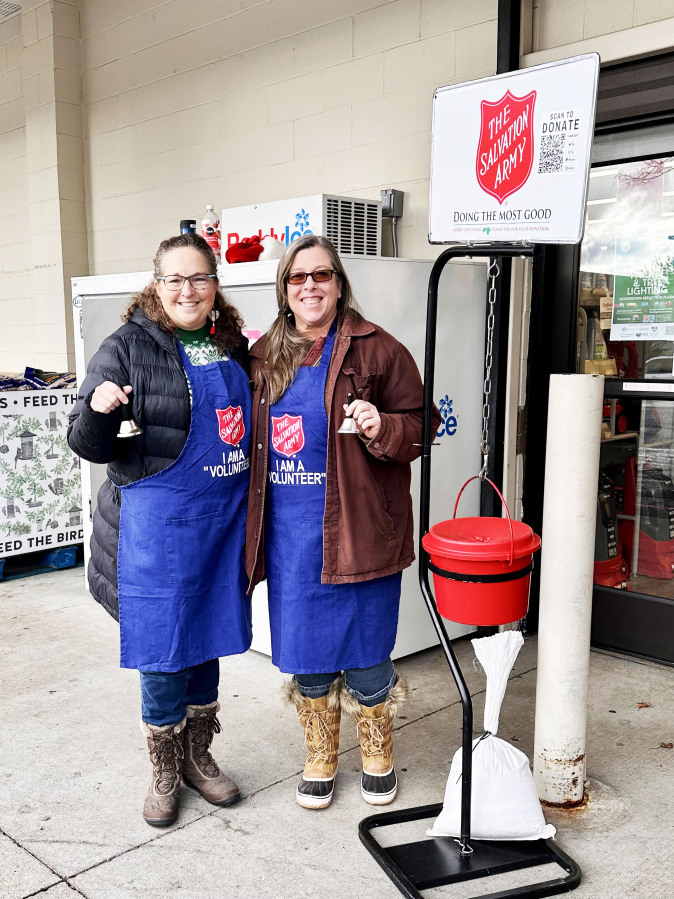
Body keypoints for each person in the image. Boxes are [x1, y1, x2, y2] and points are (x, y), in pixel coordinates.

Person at [246, 234, 439, 810]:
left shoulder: (378, 350)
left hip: (361, 526)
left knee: (368, 649)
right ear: (284, 289)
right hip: (291, 536)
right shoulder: (260, 357)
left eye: (321, 275)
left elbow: (420, 424)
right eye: (298, 277)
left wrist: (383, 426)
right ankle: (320, 753)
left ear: (338, 283)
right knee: (306, 653)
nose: (310, 286)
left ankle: (377, 750)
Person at [68, 233, 252, 827]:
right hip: (158, 526)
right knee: (163, 648)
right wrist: (98, 409)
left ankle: (200, 755)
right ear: (155, 286)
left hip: (220, 522)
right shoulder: (126, 347)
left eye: (198, 278)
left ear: (215, 286)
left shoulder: (233, 346)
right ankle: (165, 769)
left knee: (209, 636)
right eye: (173, 279)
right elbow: (83, 441)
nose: (186, 290)